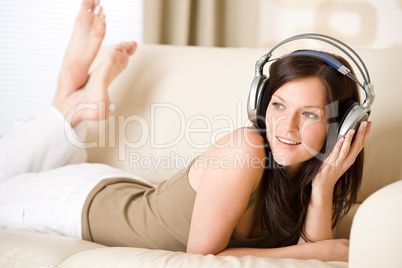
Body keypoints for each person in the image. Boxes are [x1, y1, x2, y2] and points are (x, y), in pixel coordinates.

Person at [0, 0, 372, 262]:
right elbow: (201, 258)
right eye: (277, 106)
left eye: (308, 114)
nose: (286, 127)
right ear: (260, 103)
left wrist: (323, 187)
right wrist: (309, 251)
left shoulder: (315, 173)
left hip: (120, 189)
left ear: (342, 126)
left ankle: (72, 96)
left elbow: (317, 258)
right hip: (76, 204)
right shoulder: (244, 150)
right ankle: (70, 98)